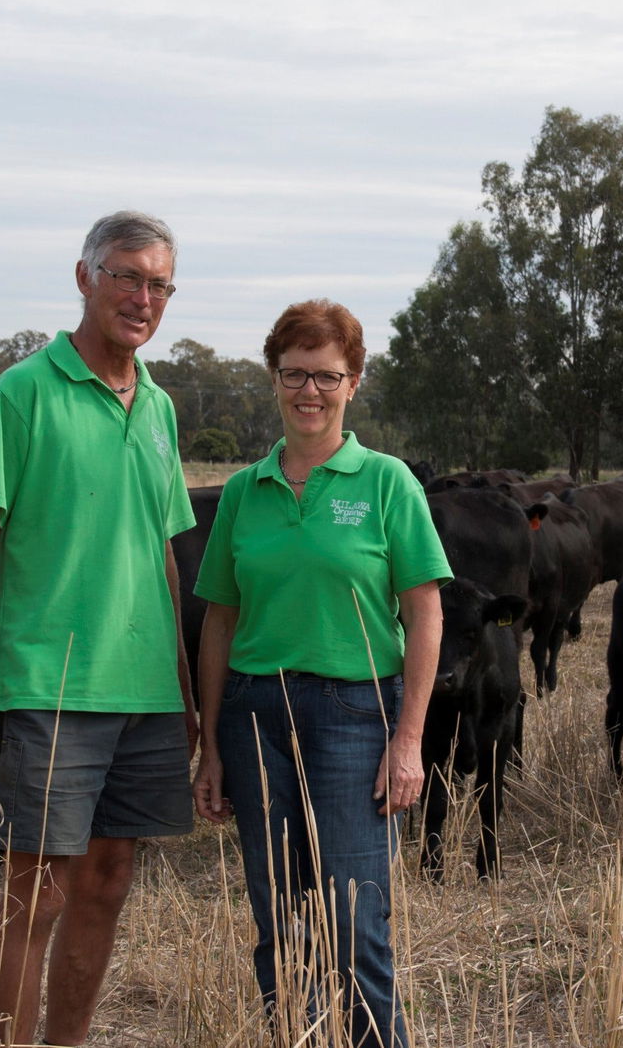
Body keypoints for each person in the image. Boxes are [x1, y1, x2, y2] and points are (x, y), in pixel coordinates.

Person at [0, 210, 197, 1046]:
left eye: (159, 283)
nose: (143, 297)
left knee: (109, 881)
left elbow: (162, 556)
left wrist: (185, 690)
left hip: (144, 686)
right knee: (35, 892)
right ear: (84, 277)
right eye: (127, 275)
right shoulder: (19, 395)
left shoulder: (158, 407)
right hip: (51, 682)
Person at [191, 299, 449, 1048]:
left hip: (354, 713)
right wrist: (210, 743)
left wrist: (409, 739)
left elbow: (425, 614)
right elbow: (220, 621)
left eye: (327, 376)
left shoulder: (387, 483)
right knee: (278, 918)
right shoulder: (245, 491)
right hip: (252, 714)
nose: (310, 391)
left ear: (355, 382)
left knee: (354, 916)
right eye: (295, 374)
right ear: (273, 379)